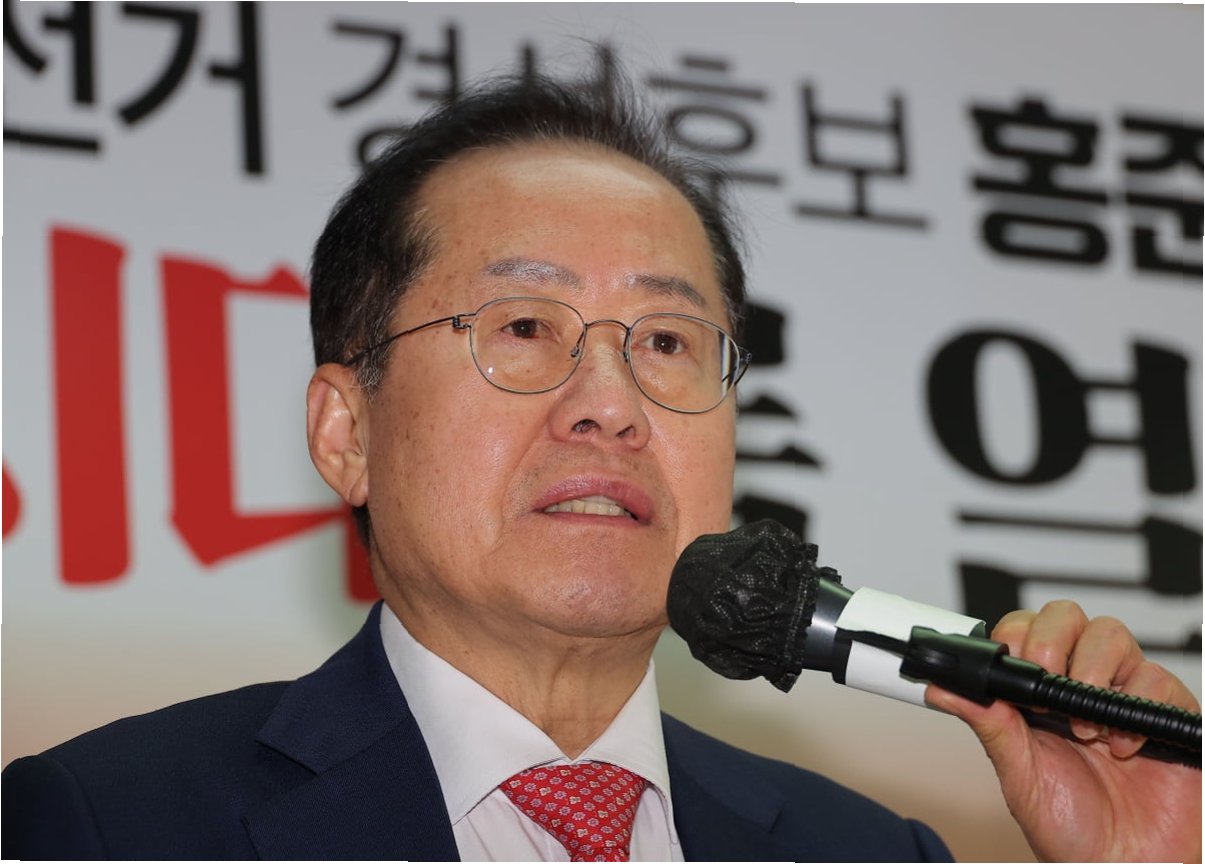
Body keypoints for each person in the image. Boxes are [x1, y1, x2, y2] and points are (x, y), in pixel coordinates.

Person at [3, 70, 1200, 863]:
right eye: (525, 327)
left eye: (667, 343)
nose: (610, 407)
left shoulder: (868, 852)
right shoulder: (112, 822)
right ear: (344, 431)